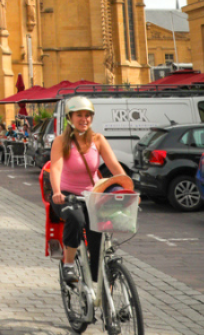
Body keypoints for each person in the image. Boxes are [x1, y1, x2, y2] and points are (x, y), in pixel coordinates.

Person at [48, 96, 129, 285]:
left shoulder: (98, 139)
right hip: (67, 196)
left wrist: (128, 188)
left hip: (93, 196)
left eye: (88, 115)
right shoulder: (61, 141)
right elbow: (56, 168)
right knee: (76, 219)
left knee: (98, 247)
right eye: (79, 115)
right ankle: (68, 264)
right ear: (70, 117)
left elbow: (114, 166)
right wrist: (57, 191)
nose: (84, 119)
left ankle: (108, 302)